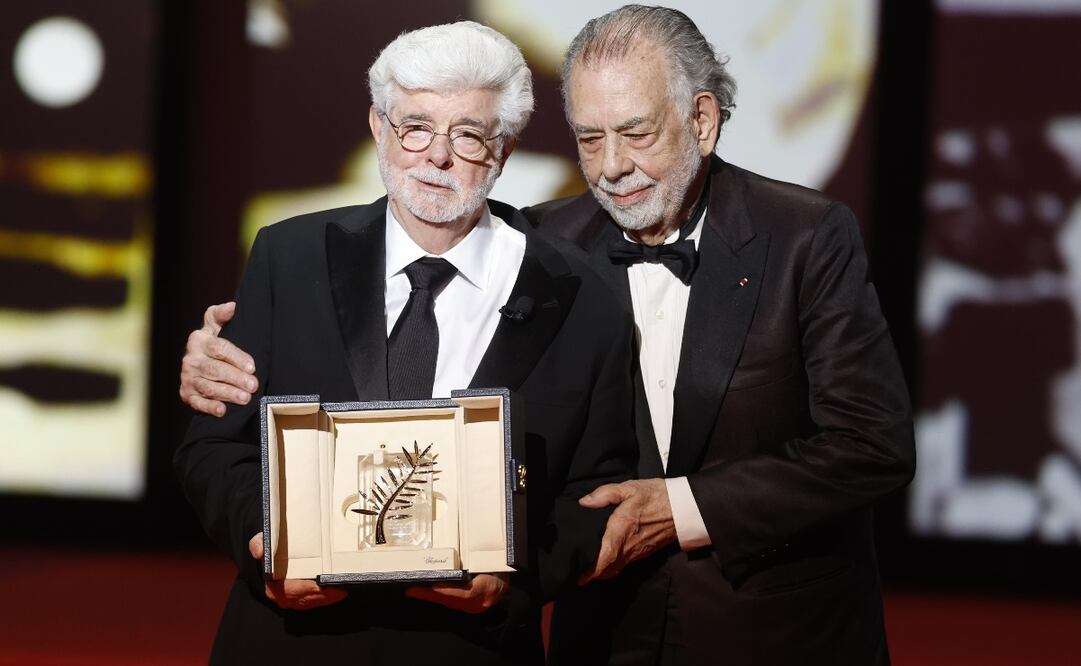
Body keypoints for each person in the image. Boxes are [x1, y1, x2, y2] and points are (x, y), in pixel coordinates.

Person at [181, 6, 916, 665]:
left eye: (634, 133)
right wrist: (212, 352)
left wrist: (679, 509)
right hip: (602, 632)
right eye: (588, 138)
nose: (610, 167)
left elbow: (872, 446)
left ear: (701, 120)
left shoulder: (806, 237)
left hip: (767, 632)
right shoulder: (549, 246)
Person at [173, 21, 636, 666]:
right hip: (292, 641)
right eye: (414, 125)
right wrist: (263, 542)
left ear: (503, 149)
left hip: (472, 648)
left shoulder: (584, 295)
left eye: (468, 134)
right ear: (377, 127)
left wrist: (516, 576)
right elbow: (213, 449)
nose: (435, 156)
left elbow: (597, 488)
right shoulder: (289, 254)